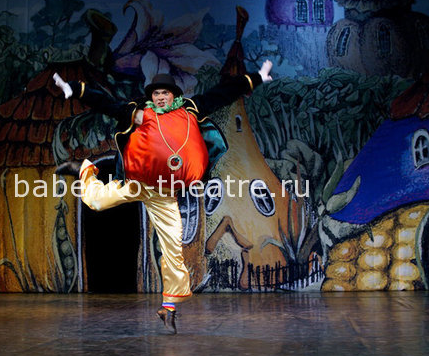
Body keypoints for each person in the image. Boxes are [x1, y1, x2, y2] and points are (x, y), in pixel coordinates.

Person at [53, 61, 273, 334]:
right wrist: (75, 89)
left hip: (165, 195)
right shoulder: (141, 114)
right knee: (96, 202)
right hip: (139, 184)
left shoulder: (190, 110)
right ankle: (84, 170)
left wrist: (256, 78)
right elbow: (107, 104)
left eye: (164, 93)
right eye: (155, 93)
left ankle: (168, 309)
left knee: (173, 250)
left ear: (173, 95)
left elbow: (222, 94)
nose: (159, 97)